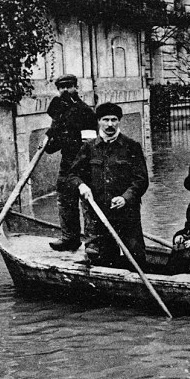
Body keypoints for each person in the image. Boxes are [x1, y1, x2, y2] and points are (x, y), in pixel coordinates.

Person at [68, 103, 148, 269]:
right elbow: (72, 175)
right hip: (101, 215)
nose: (110, 124)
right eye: (106, 120)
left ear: (119, 121)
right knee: (105, 261)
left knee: (136, 259)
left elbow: (141, 180)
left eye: (114, 120)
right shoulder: (89, 148)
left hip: (128, 215)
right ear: (98, 121)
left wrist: (125, 198)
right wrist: (82, 186)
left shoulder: (132, 146)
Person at [43, 74, 97, 251]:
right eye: (61, 88)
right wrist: (49, 139)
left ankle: (92, 243)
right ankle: (69, 238)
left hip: (84, 166)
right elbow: (53, 145)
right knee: (65, 201)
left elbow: (89, 144)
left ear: (76, 88)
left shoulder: (85, 112)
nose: (65, 90)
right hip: (66, 164)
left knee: (88, 204)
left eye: (68, 86)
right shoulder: (59, 114)